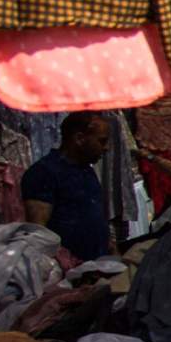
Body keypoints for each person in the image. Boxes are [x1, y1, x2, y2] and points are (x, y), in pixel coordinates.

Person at [20, 111, 112, 260]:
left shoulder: (86, 170)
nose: (106, 147)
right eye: (101, 141)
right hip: (68, 272)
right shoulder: (44, 172)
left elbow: (96, 216)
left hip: (96, 265)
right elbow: (39, 232)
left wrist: (111, 248)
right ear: (79, 139)